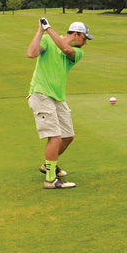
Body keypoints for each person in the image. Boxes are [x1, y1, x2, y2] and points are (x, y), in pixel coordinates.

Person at [27, 18, 93, 189]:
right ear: (76, 34)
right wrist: (41, 31)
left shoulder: (77, 53)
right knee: (55, 136)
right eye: (84, 38)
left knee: (68, 136)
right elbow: (31, 53)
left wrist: (48, 28)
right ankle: (50, 179)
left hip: (57, 97)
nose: (85, 43)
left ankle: (48, 165)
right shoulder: (47, 39)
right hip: (41, 94)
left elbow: (64, 48)